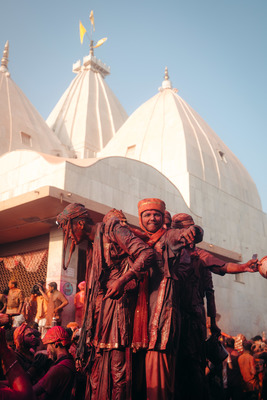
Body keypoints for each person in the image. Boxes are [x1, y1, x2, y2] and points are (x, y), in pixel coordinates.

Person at [57, 204, 155, 400]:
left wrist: (122, 280)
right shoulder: (94, 245)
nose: (68, 235)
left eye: (68, 228)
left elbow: (146, 253)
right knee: (97, 366)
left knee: (118, 368)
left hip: (118, 308)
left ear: (81, 223)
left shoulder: (113, 229)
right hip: (100, 312)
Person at [171, 213, 258, 400]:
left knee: (194, 365)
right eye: (186, 230)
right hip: (171, 316)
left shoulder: (199, 255)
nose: (190, 236)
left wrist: (243, 267)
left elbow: (222, 267)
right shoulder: (168, 250)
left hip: (193, 318)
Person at [137, 198, 204, 400]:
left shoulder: (169, 237)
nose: (152, 218)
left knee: (158, 385)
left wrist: (194, 231)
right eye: (147, 214)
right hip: (140, 325)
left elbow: (187, 234)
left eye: (156, 214)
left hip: (160, 323)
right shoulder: (140, 241)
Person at [33, 326, 76, 400]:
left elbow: (33, 391)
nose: (47, 350)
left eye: (48, 345)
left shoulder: (58, 369)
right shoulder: (70, 361)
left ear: (56, 344)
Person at [0, 326, 35, 400]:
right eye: (29, 335)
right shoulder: (15, 356)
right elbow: (24, 394)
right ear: (20, 338)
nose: (34, 337)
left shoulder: (33, 354)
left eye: (34, 334)